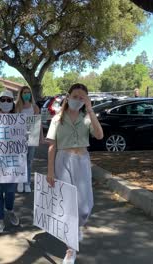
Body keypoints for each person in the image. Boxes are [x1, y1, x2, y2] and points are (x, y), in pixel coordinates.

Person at [46, 83, 104, 264]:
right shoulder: (57, 119)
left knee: (85, 207)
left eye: (82, 97)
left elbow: (100, 135)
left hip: (82, 161)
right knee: (68, 205)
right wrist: (50, 172)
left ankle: (78, 226)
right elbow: (52, 146)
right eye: (75, 96)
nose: (77, 100)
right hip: (63, 161)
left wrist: (90, 110)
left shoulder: (87, 118)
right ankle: (70, 249)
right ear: (68, 96)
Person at [0, 90, 21, 233]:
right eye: (2, 100)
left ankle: (10, 209)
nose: (5, 103)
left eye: (9, 100)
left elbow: (25, 137)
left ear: (13, 103)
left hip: (12, 162)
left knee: (10, 191)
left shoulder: (17, 118)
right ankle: (0, 220)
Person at [15, 86, 43, 193]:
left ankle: (27, 183)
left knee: (29, 160)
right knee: (20, 160)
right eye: (24, 93)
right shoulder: (17, 107)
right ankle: (20, 181)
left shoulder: (35, 107)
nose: (26, 94)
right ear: (21, 94)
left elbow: (38, 123)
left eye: (28, 92)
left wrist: (41, 137)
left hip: (32, 137)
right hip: (19, 138)